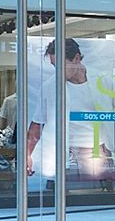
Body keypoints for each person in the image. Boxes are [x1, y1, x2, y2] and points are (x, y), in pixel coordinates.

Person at [25, 37, 99, 177]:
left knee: (101, 196)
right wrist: (27, 155)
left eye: (61, 65)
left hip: (95, 150)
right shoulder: (49, 86)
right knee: (61, 194)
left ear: (76, 58)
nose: (57, 71)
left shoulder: (101, 82)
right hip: (61, 152)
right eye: (54, 66)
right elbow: (37, 124)